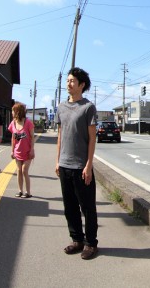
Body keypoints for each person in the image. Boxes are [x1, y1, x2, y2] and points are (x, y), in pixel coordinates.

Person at [55, 67, 98, 260]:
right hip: (64, 165)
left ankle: (90, 243)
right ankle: (77, 240)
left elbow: (92, 138)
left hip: (81, 167)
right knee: (69, 207)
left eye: (72, 81)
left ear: (82, 85)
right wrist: (57, 161)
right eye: (68, 80)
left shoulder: (88, 107)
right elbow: (60, 136)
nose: (69, 83)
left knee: (87, 207)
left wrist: (88, 165)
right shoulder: (61, 107)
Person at [9, 102, 35, 198]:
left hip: (28, 152)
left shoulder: (28, 123)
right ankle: (20, 190)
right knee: (19, 170)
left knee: (24, 170)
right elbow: (13, 138)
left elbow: (32, 137)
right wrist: (12, 151)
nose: (12, 113)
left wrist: (32, 150)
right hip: (17, 151)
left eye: (13, 111)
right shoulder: (13, 123)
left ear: (17, 111)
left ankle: (28, 192)